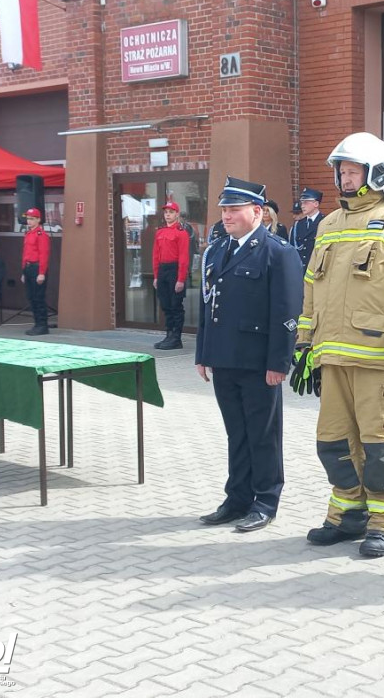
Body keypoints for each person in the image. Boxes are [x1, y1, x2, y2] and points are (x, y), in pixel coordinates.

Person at [296, 132, 384, 558]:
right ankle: (347, 516)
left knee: (380, 447)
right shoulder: (328, 225)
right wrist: (305, 344)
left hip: (380, 360)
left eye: (352, 170)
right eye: (340, 170)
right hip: (332, 356)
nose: (343, 177)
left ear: (377, 173)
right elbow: (311, 289)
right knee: (333, 444)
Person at [195, 177, 304, 531]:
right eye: (224, 210)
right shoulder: (216, 250)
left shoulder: (278, 251)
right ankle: (237, 497)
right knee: (236, 432)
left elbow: (287, 312)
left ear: (257, 212)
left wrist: (279, 363)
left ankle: (266, 500)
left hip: (259, 362)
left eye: (234, 209)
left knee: (263, 434)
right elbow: (207, 304)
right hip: (224, 358)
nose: (226, 216)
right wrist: (203, 352)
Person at [152, 200, 190, 350]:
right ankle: (168, 334)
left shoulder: (181, 233)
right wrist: (156, 276)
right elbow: (156, 255)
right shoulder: (160, 232)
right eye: (166, 212)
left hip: (174, 269)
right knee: (166, 305)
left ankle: (176, 337)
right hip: (162, 270)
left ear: (177, 214)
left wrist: (181, 279)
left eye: (171, 212)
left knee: (176, 305)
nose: (168, 215)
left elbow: (184, 258)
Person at [20, 207, 51, 336]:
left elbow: (44, 254)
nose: (29, 221)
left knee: (38, 298)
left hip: (36, 268)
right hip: (28, 268)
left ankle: (42, 325)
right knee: (31, 297)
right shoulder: (28, 234)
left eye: (32, 219)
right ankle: (37, 323)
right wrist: (23, 271)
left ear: (38, 220)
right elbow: (25, 254)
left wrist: (42, 272)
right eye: (28, 218)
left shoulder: (41, 235)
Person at [288, 187, 324, 268]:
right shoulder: (298, 224)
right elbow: (293, 248)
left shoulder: (324, 222)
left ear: (316, 204)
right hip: (300, 270)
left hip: (317, 269)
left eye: (306, 203)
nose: (302, 206)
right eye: (302, 203)